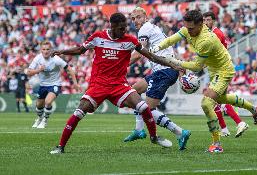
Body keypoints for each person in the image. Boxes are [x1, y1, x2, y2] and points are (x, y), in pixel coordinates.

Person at [50, 13, 171, 154]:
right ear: (112, 26)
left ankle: (153, 137)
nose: (125, 30)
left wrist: (171, 64)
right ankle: (61, 146)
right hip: (98, 85)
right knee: (79, 112)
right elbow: (80, 50)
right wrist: (61, 51)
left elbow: (151, 56)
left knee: (143, 106)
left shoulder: (130, 40)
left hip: (119, 85)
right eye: (121, 28)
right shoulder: (98, 37)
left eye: (126, 27)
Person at [148, 10, 257, 153]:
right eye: (187, 27)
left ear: (201, 24)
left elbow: (197, 66)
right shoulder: (187, 29)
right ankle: (255, 110)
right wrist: (158, 47)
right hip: (213, 69)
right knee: (221, 99)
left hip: (223, 70)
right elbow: (172, 39)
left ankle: (217, 145)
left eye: (191, 28)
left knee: (206, 103)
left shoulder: (206, 40)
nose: (188, 31)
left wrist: (173, 61)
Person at [123, 7, 190, 150]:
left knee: (148, 109)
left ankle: (180, 131)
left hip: (163, 71)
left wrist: (120, 65)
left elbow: (139, 53)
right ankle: (139, 130)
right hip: (162, 70)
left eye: (139, 17)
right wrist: (180, 68)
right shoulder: (154, 29)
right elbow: (170, 51)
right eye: (133, 18)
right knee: (133, 92)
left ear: (145, 17)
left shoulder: (144, 29)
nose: (136, 21)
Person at [203, 11, 249, 138]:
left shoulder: (216, 34)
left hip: (220, 71)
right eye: (204, 20)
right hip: (216, 70)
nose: (206, 23)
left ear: (213, 21)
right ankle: (226, 128)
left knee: (214, 99)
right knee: (218, 100)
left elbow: (212, 53)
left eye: (208, 20)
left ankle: (239, 123)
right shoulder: (212, 34)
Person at [27, 40, 80, 129]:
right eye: (43, 49)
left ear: (51, 50)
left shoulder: (56, 59)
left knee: (48, 101)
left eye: (48, 49)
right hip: (43, 85)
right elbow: (28, 72)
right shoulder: (37, 58)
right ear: (41, 50)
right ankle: (39, 118)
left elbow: (69, 69)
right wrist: (39, 70)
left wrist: (75, 83)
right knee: (39, 105)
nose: (46, 51)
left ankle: (45, 120)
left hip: (55, 84)